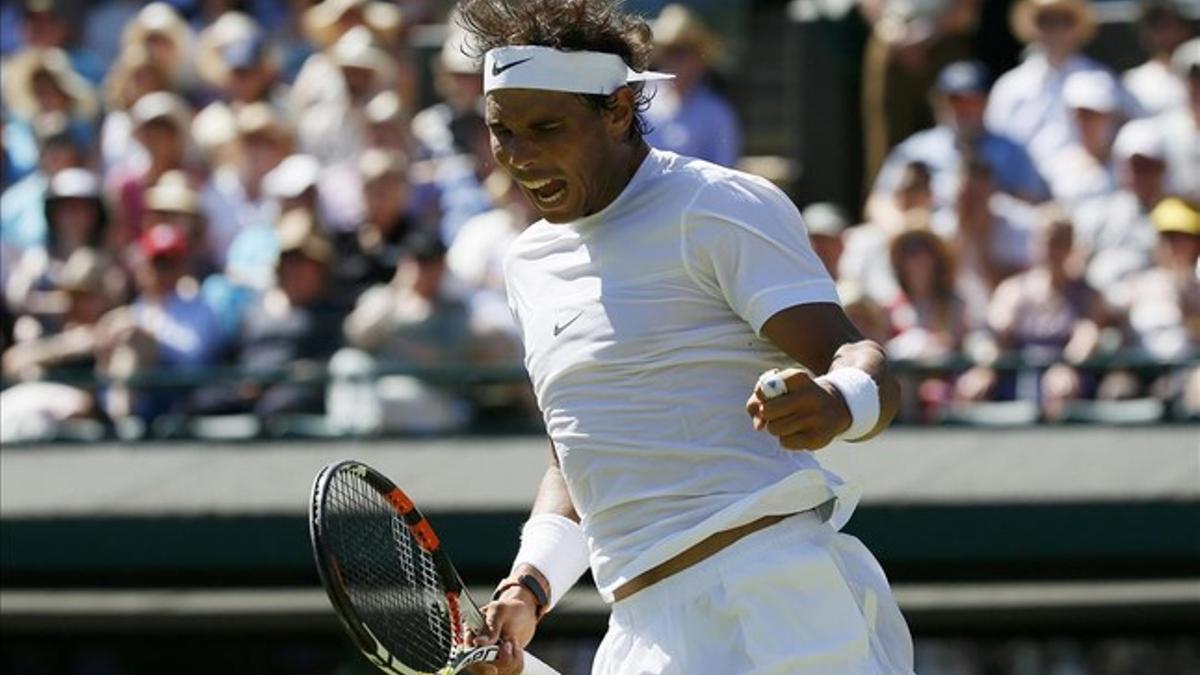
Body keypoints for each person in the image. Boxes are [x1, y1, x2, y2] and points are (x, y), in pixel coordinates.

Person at [455, 2, 914, 674]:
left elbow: (864, 362)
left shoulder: (717, 206)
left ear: (616, 110)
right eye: (503, 132)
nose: (519, 158)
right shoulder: (526, 263)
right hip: (640, 625)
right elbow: (578, 452)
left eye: (546, 127)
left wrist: (836, 402)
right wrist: (529, 583)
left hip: (772, 596)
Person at [868, 60, 1047, 222]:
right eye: (953, 100)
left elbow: (1034, 205)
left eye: (970, 101)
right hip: (930, 243)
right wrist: (903, 230)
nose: (961, 110)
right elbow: (880, 202)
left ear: (985, 102)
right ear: (939, 102)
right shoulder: (917, 149)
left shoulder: (1011, 151)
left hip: (992, 242)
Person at [642, 4, 741, 168]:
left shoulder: (717, 112)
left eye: (683, 52)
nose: (674, 60)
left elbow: (725, 170)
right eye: (669, 51)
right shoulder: (639, 102)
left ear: (700, 60)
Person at [1123, 0, 1194, 117]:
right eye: (1155, 25)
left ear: (1184, 28)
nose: (1162, 33)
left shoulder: (1195, 74)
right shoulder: (1132, 81)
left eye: (1167, 24)